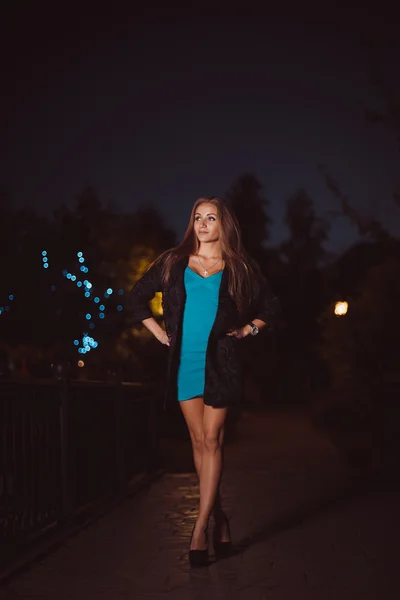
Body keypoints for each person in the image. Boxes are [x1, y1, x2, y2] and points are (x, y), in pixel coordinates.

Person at [127, 196, 279, 567]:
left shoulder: (239, 267)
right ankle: (221, 518)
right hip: (185, 363)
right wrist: (159, 333)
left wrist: (247, 329)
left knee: (211, 440)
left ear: (223, 224)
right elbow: (136, 298)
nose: (203, 224)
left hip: (221, 362)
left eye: (211, 218)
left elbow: (271, 306)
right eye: (198, 217)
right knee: (199, 442)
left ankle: (199, 528)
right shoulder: (173, 262)